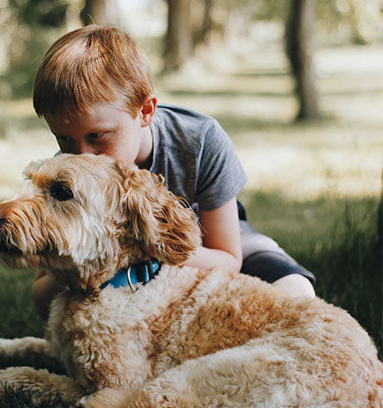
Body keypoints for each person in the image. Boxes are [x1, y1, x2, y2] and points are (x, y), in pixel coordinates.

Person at [30, 25, 315, 319]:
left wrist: (152, 248)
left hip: (207, 239)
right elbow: (41, 297)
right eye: (63, 139)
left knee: (297, 291)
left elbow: (229, 259)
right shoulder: (67, 178)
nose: (82, 157)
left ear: (145, 111)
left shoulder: (200, 141)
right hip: (115, 265)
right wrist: (81, 264)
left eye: (97, 136)